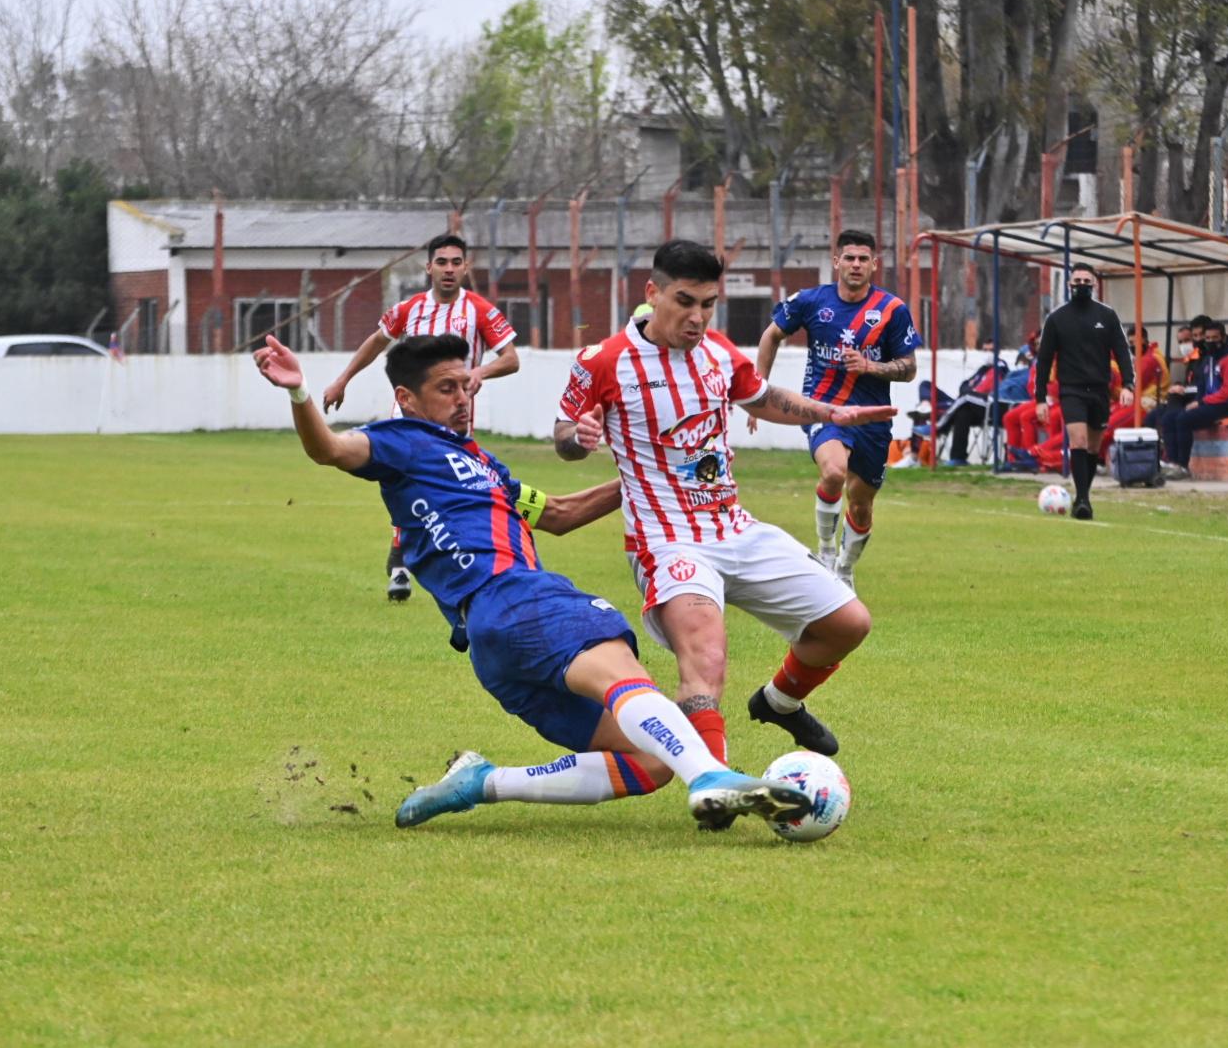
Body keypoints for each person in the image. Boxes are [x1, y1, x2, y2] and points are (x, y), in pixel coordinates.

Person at [253, 332, 811, 832]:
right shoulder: (400, 441)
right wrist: (300, 393)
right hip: (514, 598)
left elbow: (560, 514)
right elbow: (327, 448)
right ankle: (712, 778)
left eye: (466, 385)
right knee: (624, 677)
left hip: (494, 643)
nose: (462, 398)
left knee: (653, 761)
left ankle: (482, 783)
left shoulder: (485, 467)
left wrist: (644, 473)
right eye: (446, 388)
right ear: (407, 398)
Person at [553, 240, 894, 760]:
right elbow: (563, 435)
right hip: (666, 542)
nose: (698, 317)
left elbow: (763, 398)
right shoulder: (604, 361)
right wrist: (577, 437)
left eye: (708, 304)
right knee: (706, 659)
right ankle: (715, 782)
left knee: (848, 624)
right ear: (653, 293)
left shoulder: (717, 352)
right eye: (685, 301)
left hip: (735, 529)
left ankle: (780, 702)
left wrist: (830, 413)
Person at [321, 234, 521, 603]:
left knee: (452, 495)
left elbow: (511, 357)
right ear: (428, 267)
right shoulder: (409, 309)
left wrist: (480, 372)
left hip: (456, 423)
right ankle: (402, 560)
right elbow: (376, 341)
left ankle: (421, 558)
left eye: (455, 262)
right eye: (441, 262)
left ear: (466, 267)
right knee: (407, 483)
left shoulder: (478, 310)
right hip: (409, 419)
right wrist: (342, 379)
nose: (448, 269)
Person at [750, 229, 918, 586]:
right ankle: (825, 551)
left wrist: (871, 366)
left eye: (863, 259)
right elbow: (770, 336)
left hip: (871, 419)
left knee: (861, 504)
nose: (855, 265)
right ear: (836, 261)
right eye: (849, 258)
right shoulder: (810, 302)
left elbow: (909, 368)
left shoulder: (891, 310)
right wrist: (757, 392)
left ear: (874, 264)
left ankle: (844, 566)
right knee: (833, 472)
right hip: (823, 409)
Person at [1034, 263, 1135, 519]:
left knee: (1092, 447)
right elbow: (1044, 360)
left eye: (1085, 281)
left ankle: (1083, 494)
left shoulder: (1107, 316)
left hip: (1100, 390)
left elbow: (1122, 351)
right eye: (1076, 281)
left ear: (1094, 284)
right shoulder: (1057, 319)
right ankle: (1083, 500)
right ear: (1069, 285)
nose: (1081, 285)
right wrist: (1040, 398)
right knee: (1077, 441)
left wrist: (1128, 384)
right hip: (1072, 390)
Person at [1159, 321, 1228, 480]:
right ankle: (1172, 463)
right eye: (1208, 338)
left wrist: (1201, 402)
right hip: (1209, 403)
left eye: (1215, 338)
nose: (1211, 342)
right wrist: (1198, 400)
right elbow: (1202, 385)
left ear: (1223, 337)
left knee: (1183, 419)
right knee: (1168, 418)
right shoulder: (1209, 359)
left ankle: (1183, 466)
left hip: (1226, 405)